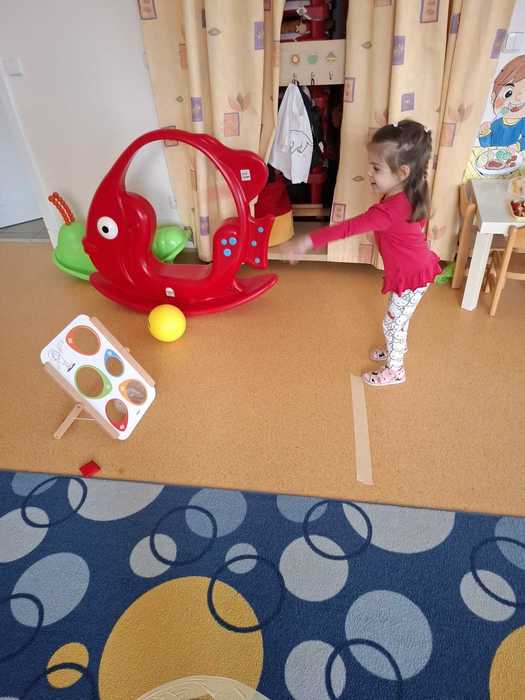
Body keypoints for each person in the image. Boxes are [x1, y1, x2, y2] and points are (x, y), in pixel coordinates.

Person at [276, 119, 442, 387]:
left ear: (402, 172)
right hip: (415, 270)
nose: (369, 173)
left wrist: (306, 241)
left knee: (393, 324)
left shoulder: (387, 211)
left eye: (376, 168)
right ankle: (395, 350)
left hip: (412, 276)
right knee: (397, 320)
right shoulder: (411, 190)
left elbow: (348, 228)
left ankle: (395, 370)